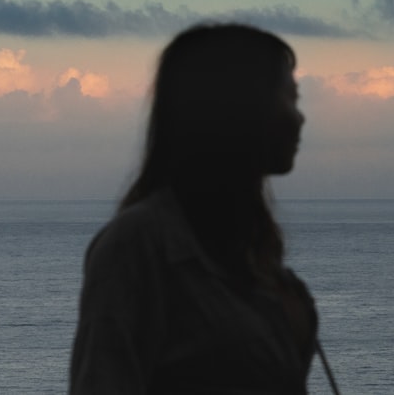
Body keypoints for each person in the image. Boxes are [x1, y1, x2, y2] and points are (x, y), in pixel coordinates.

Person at [70, 23, 315, 394]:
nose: (300, 117)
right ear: (240, 106)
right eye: (290, 98)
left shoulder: (253, 253)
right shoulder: (137, 246)